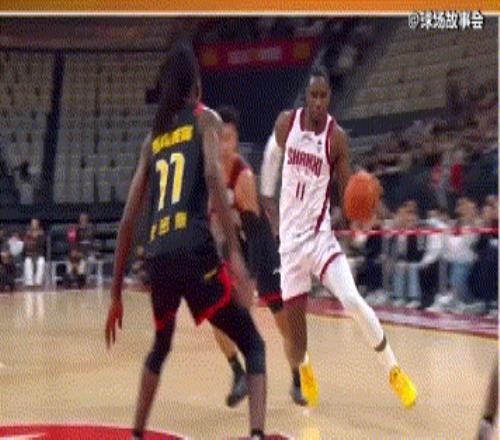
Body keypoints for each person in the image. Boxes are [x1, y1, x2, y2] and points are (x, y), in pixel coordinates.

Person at [104, 44, 267, 440]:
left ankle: (137, 433)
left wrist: (116, 294)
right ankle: (257, 435)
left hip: (158, 257)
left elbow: (128, 221)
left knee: (160, 345)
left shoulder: (153, 139)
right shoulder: (205, 120)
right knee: (253, 343)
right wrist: (235, 253)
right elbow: (212, 175)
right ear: (196, 85)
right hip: (194, 252)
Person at [260, 66, 417, 408]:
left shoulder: (336, 138)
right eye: (313, 95)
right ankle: (305, 368)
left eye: (324, 95)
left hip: (320, 241)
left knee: (353, 301)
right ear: (306, 96)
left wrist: (366, 208)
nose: (318, 101)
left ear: (329, 97)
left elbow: (346, 190)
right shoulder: (286, 124)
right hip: (290, 246)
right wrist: (268, 202)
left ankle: (394, 371)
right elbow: (270, 160)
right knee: (296, 342)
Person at [210, 106, 306, 407]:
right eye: (219, 139)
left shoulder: (243, 176)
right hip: (234, 248)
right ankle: (238, 373)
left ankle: (297, 379)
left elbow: (254, 232)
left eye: (229, 138)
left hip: (261, 249)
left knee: (283, 323)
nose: (224, 145)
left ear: (236, 140)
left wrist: (250, 279)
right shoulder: (209, 173)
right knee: (214, 312)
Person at [23, 218, 46, 287]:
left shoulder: (41, 233)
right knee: (27, 261)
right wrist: (32, 239)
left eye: (35, 223)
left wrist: (37, 237)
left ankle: (38, 282)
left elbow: (42, 245)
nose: (34, 224)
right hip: (29, 254)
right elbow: (26, 245)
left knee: (41, 262)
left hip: (39, 254)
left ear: (38, 224)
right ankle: (29, 283)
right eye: (33, 223)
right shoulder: (27, 233)